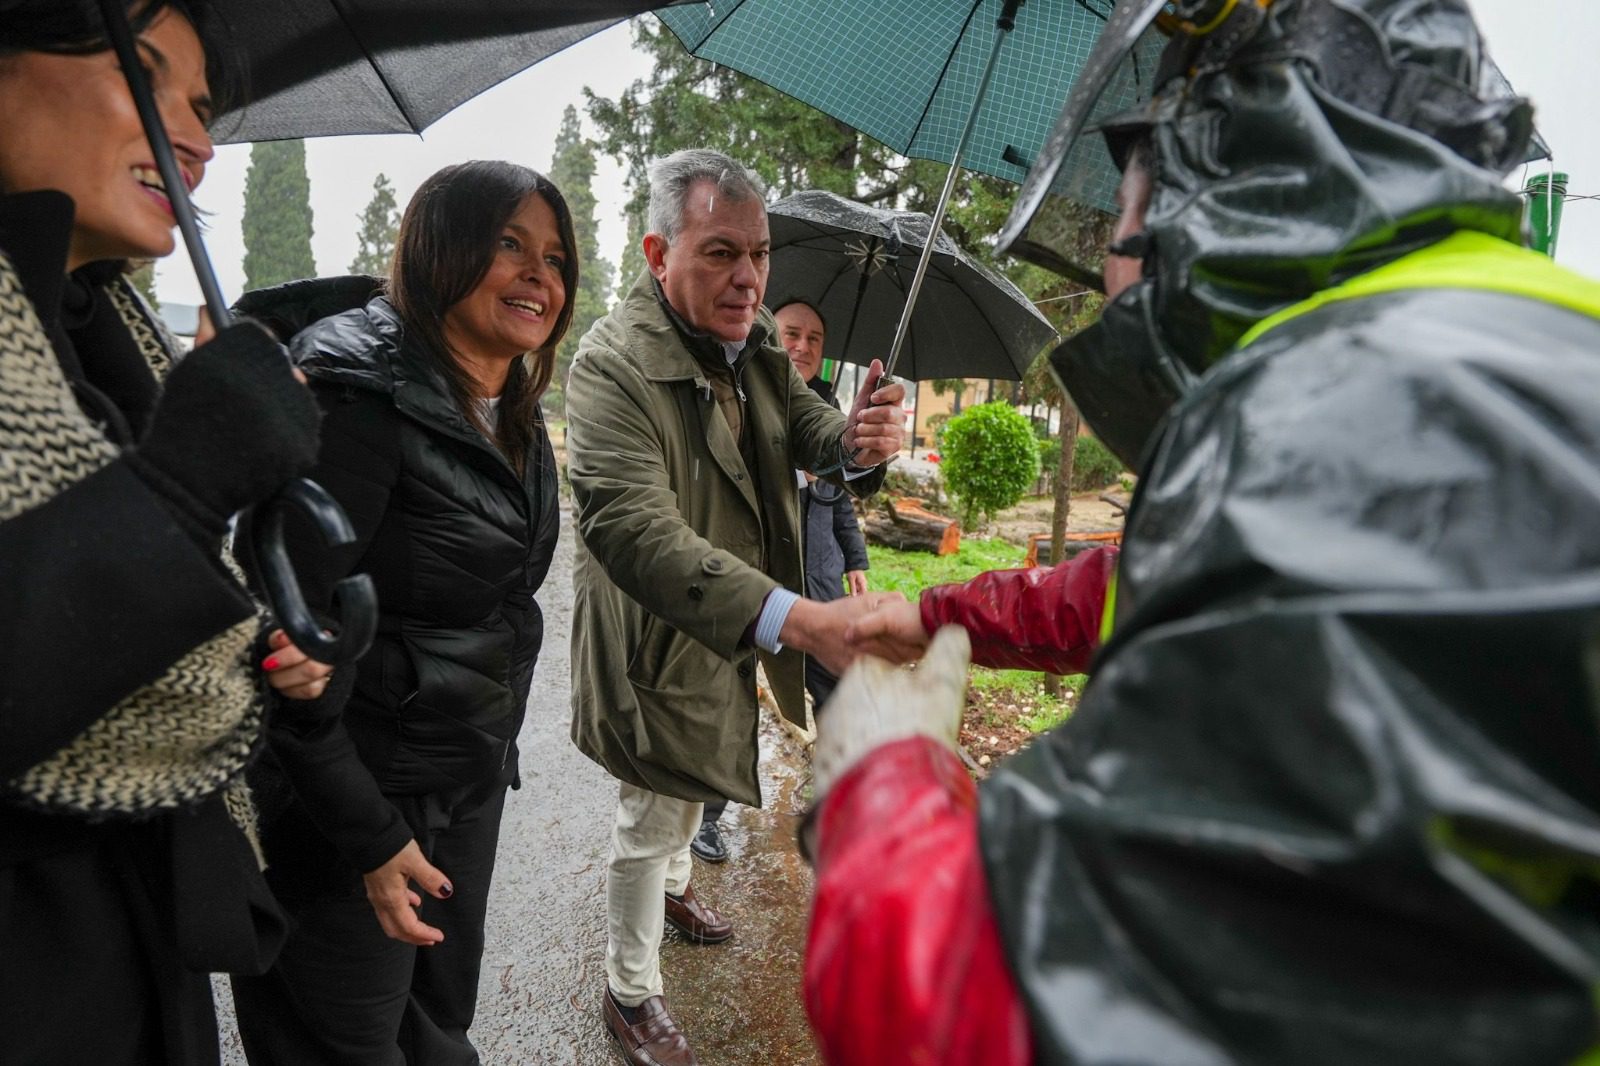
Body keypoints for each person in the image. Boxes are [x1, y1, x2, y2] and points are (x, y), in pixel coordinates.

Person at [804, 0, 1600, 1063]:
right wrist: (932, 609)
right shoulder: (1485, 349)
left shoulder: (1354, 419)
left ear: (1223, 179)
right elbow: (1184, 577)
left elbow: (998, 1004)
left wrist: (883, 777)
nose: (1108, 272)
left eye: (1124, 205)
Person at [0, 3, 328, 1063]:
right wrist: (180, 489)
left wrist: (277, 653)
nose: (196, 138)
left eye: (202, 107)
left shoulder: (102, 328)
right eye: (142, 74)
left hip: (137, 950)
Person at [226, 160, 576, 1065]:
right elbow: (276, 655)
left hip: (461, 784)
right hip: (349, 817)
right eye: (508, 244)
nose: (540, 275)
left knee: (437, 1029)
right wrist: (373, 839)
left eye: (554, 255)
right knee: (341, 1041)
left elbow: (502, 611)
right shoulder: (354, 403)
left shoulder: (514, 410)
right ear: (438, 248)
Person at [565, 147, 907, 1066]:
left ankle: (676, 890)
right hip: (660, 635)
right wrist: (794, 617)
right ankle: (628, 992)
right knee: (652, 812)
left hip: (733, 622)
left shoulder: (755, 348)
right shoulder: (608, 369)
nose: (749, 277)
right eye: (720, 252)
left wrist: (862, 437)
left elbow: (815, 433)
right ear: (655, 253)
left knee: (698, 785)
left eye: (757, 254)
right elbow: (633, 530)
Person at [691, 298, 873, 865]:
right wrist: (790, 471)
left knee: (841, 692)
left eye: (815, 339)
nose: (801, 347)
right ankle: (706, 817)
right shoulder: (740, 392)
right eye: (791, 333)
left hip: (816, 583)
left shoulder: (830, 414)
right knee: (728, 699)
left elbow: (840, 503)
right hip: (750, 581)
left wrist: (856, 561)